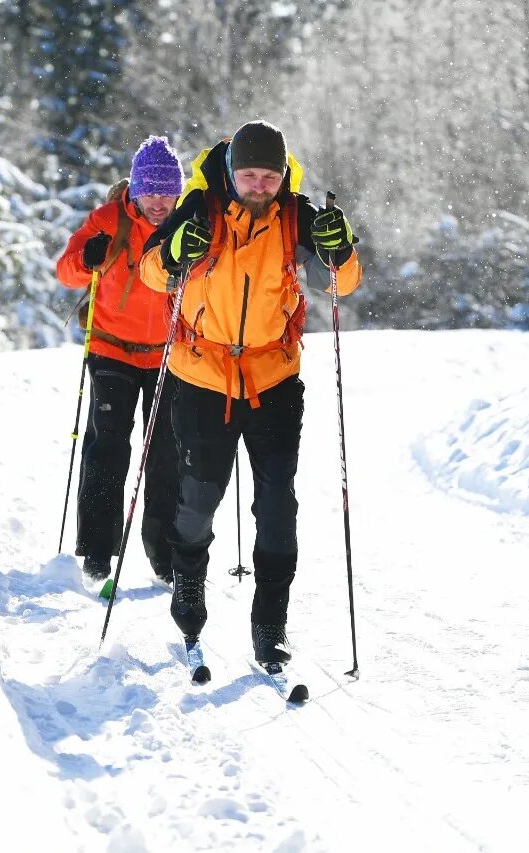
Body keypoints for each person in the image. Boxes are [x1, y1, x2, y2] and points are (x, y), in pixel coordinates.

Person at [139, 120, 362, 663]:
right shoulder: (200, 209)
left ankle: (271, 626)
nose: (259, 186)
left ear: (283, 176)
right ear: (232, 174)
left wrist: (341, 249)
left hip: (274, 379)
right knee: (198, 500)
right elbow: (150, 270)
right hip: (202, 378)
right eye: (248, 176)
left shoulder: (297, 217)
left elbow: (342, 281)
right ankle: (189, 589)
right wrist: (174, 254)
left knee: (278, 506)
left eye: (269, 176)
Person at [55, 136, 185, 587]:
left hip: (169, 353)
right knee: (107, 449)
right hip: (111, 349)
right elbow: (66, 269)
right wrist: (87, 258)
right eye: (151, 191)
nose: (159, 201)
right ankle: (96, 550)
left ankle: (165, 554)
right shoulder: (109, 220)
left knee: (166, 456)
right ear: (135, 188)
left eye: (168, 192)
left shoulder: (185, 225)